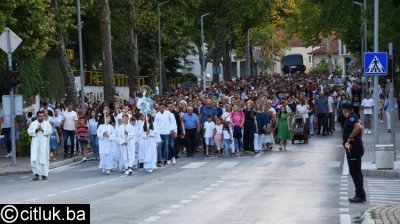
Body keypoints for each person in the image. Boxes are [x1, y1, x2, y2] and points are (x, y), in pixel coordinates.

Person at [342, 102, 366, 203]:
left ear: (344, 110)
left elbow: (359, 128)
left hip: (354, 149)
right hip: (352, 148)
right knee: (355, 172)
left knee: (355, 173)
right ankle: (359, 194)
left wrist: (350, 138)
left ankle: (360, 195)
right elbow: (361, 128)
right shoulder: (353, 117)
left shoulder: (352, 118)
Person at [27, 111, 52, 180]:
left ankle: (44, 174)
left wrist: (43, 130)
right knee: (34, 159)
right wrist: (36, 130)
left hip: (44, 144)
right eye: (40, 116)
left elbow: (50, 131)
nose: (42, 117)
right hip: (35, 144)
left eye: (42, 116)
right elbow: (29, 131)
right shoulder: (33, 124)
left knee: (44, 158)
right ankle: (36, 174)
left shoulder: (47, 124)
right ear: (37, 116)